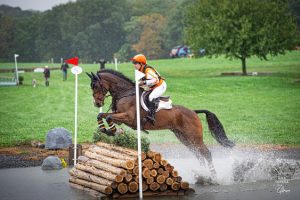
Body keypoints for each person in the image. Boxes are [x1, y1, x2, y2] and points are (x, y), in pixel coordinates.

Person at [131, 54, 167, 124]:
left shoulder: (147, 70)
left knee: (151, 97)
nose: (134, 65)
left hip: (160, 86)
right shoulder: (141, 70)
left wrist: (143, 82)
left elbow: (155, 80)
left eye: (135, 63)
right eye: (134, 63)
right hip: (154, 86)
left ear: (141, 63)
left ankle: (151, 116)